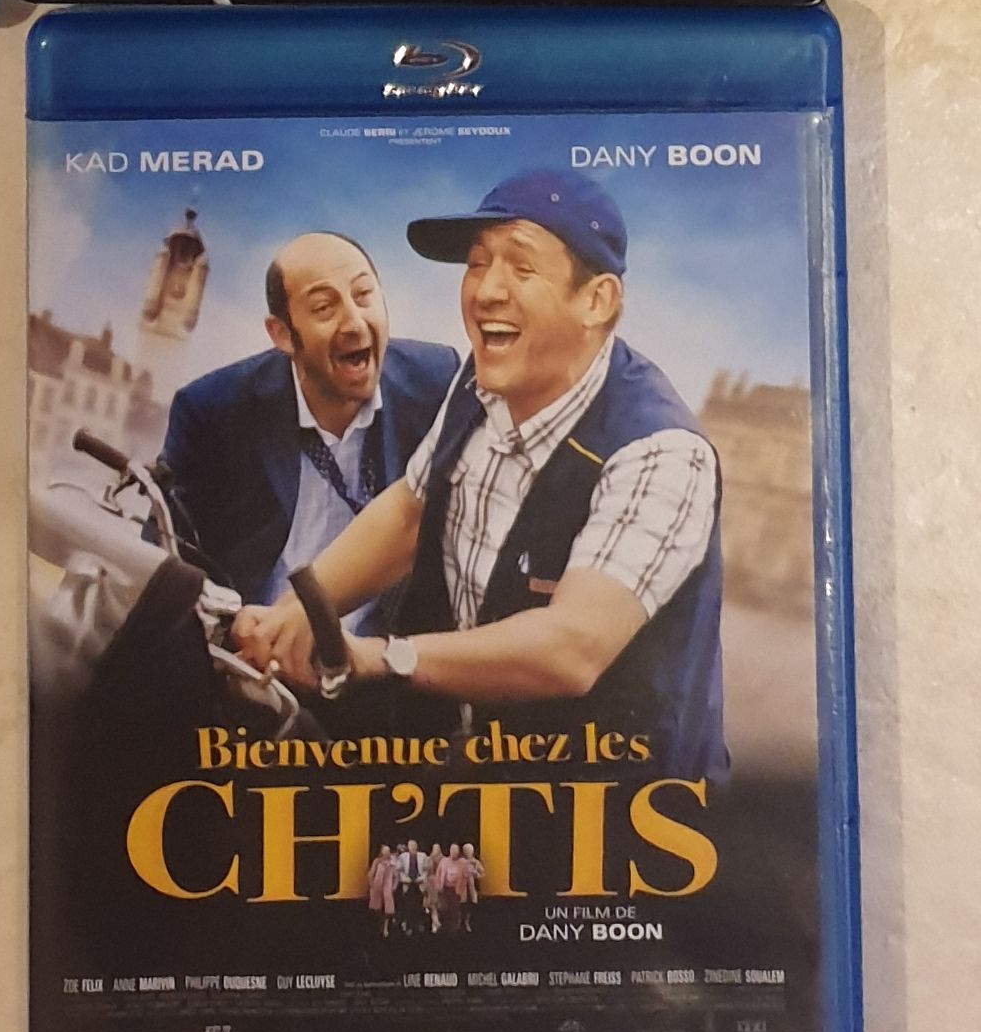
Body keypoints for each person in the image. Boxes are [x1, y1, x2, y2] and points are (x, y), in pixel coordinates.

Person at [233, 168, 728, 778]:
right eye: (476, 263)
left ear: (597, 300)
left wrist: (384, 658)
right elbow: (411, 512)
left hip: (624, 804)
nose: (486, 290)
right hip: (482, 769)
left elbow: (572, 649)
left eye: (521, 267)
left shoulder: (660, 451)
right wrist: (294, 614)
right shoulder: (483, 377)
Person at [157, 233, 457, 616]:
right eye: (324, 307)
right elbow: (165, 562)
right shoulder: (214, 412)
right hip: (251, 641)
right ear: (282, 334)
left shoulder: (437, 382)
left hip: (384, 646)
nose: (354, 322)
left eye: (363, 295)